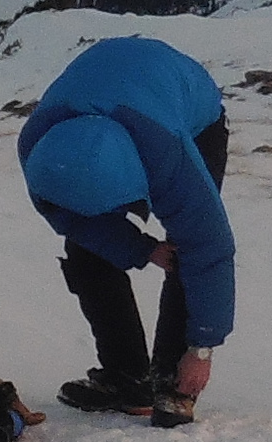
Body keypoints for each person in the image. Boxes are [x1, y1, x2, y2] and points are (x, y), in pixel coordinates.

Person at [15, 33, 232, 417]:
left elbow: (208, 249)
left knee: (185, 255)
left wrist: (202, 348)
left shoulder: (168, 156)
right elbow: (74, 223)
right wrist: (142, 248)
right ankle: (126, 376)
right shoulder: (41, 153)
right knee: (86, 255)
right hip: (112, 97)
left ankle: (174, 381)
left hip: (191, 114)